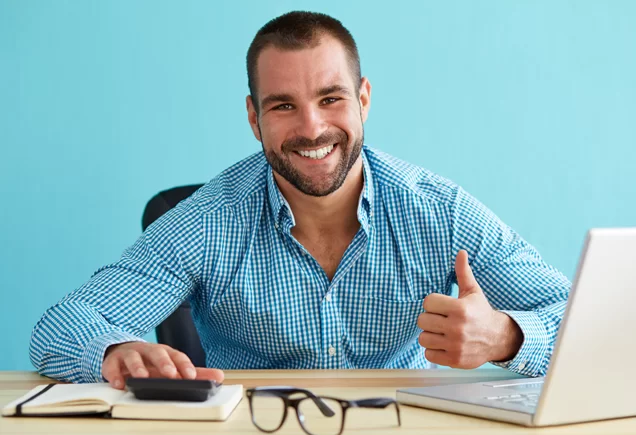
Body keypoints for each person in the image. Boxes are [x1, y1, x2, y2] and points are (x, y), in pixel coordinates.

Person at [29, 11, 571, 390]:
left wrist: (506, 336)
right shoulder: (206, 221)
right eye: (283, 105)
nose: (312, 128)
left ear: (363, 99)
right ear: (253, 118)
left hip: (401, 434)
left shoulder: (439, 210)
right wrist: (112, 352)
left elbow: (586, 321)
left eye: (330, 98)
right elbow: (63, 325)